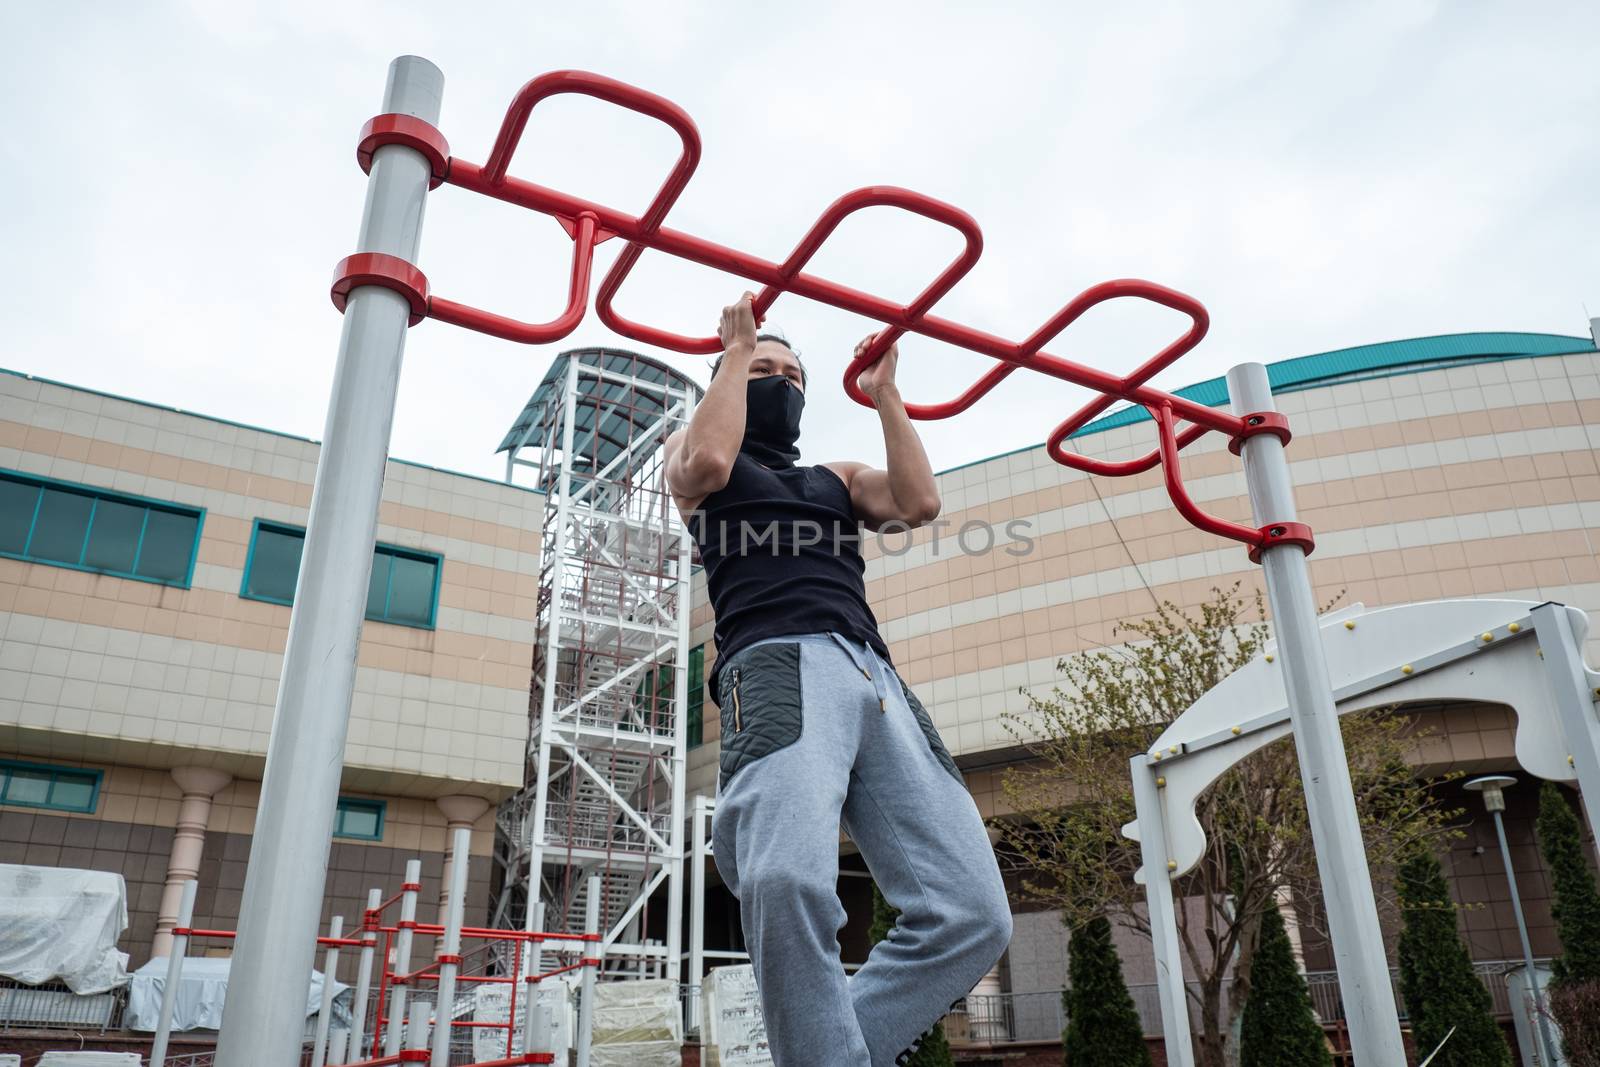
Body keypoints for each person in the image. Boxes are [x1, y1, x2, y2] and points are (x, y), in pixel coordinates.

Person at [664, 293, 1013, 1066]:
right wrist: (736, 349)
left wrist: (886, 394)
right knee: (786, 875)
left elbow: (919, 501)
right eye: (765, 370)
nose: (782, 381)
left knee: (975, 912)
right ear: (727, 375)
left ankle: (828, 1055)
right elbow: (712, 459)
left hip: (873, 674)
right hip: (778, 664)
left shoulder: (836, 476)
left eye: (794, 374)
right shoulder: (694, 465)